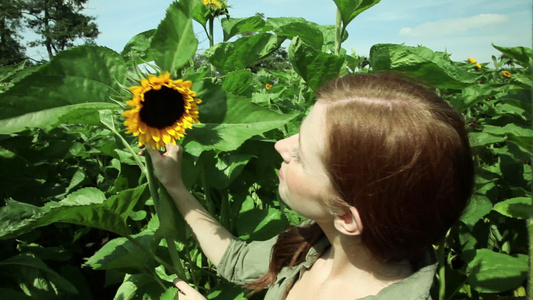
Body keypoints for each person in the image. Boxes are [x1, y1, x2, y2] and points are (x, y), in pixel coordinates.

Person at [145, 74, 474, 300]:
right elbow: (237, 260)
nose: (280, 146)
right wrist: (175, 185)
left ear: (346, 216)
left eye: (301, 154)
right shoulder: (318, 244)